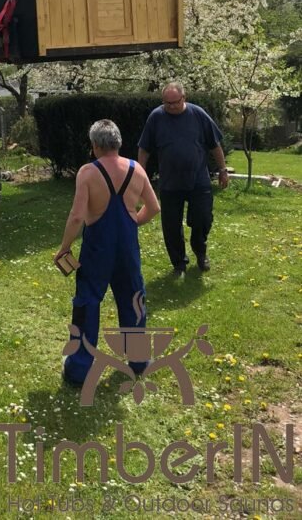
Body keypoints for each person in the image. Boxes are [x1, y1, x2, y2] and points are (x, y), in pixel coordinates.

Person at [55, 119, 161, 385]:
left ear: (94, 145)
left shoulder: (88, 172)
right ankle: (138, 361)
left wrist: (65, 247)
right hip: (127, 248)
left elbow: (78, 216)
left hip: (97, 248)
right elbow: (154, 207)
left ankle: (79, 369)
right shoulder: (137, 170)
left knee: (87, 303)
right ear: (119, 142)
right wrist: (133, 221)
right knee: (133, 298)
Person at [138, 81, 228, 278]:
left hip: (198, 180)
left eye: (175, 103)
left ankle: (200, 251)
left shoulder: (198, 114)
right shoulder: (156, 117)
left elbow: (215, 145)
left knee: (202, 218)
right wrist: (140, 174)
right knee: (171, 225)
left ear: (183, 98)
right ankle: (179, 263)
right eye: (167, 103)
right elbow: (144, 148)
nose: (170, 107)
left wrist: (222, 170)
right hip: (170, 182)